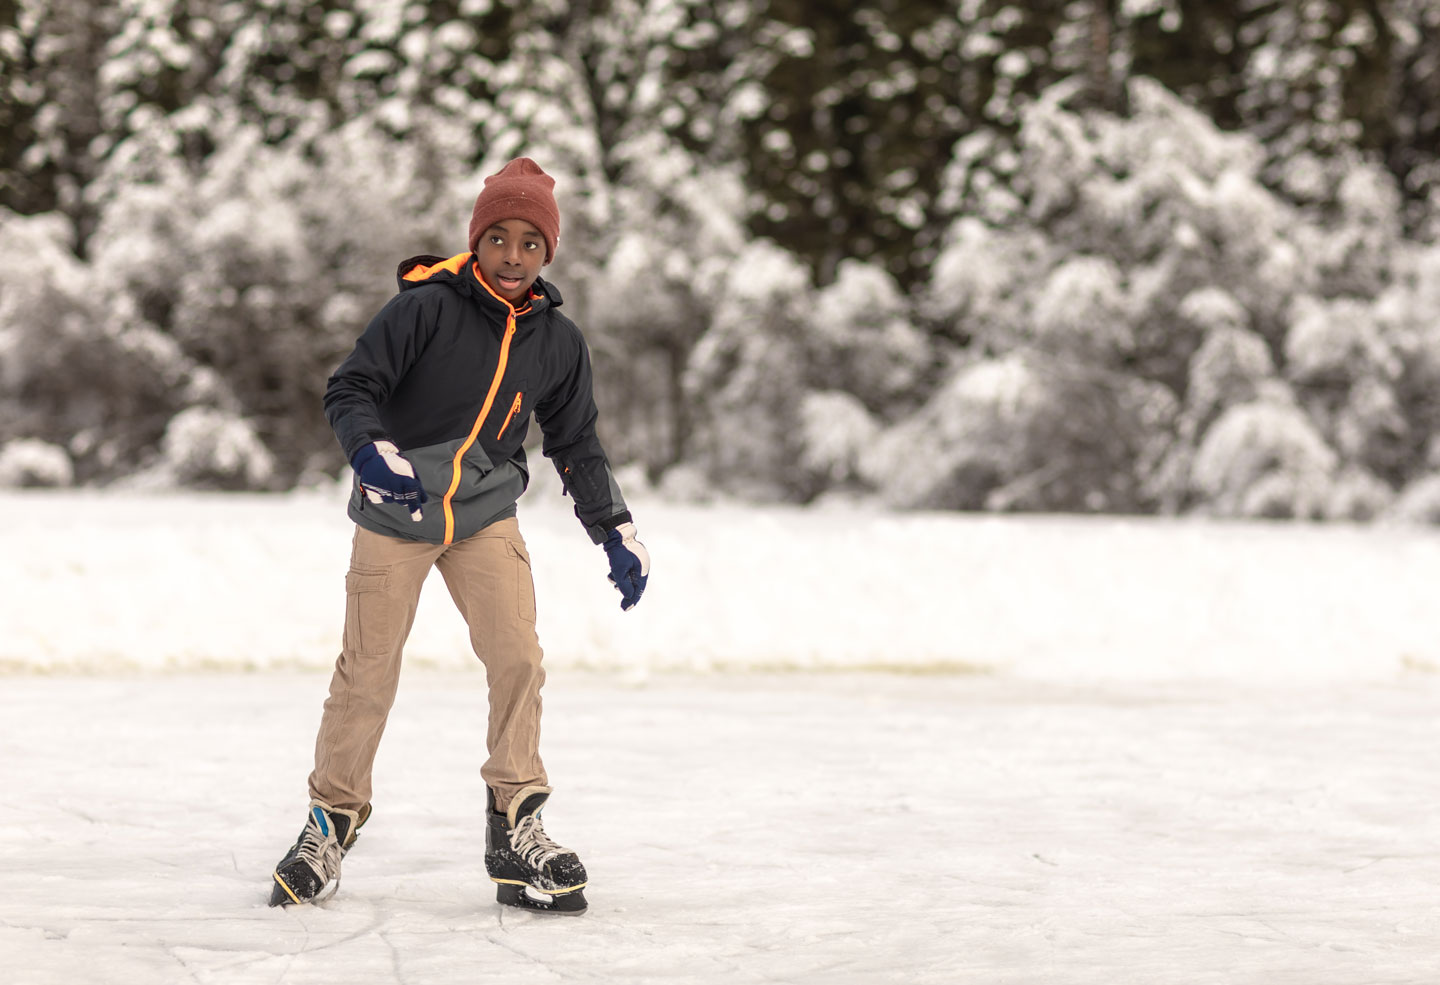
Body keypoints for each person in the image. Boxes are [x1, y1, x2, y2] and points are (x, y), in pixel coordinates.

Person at [268, 158, 649, 915]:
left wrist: (614, 526)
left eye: (530, 243)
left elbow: (575, 440)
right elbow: (352, 386)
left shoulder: (558, 342)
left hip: (482, 513)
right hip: (396, 509)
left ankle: (516, 825)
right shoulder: (424, 310)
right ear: (477, 241)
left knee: (519, 658)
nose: (513, 255)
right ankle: (329, 820)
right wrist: (372, 453)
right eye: (499, 238)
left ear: (549, 254)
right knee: (367, 671)